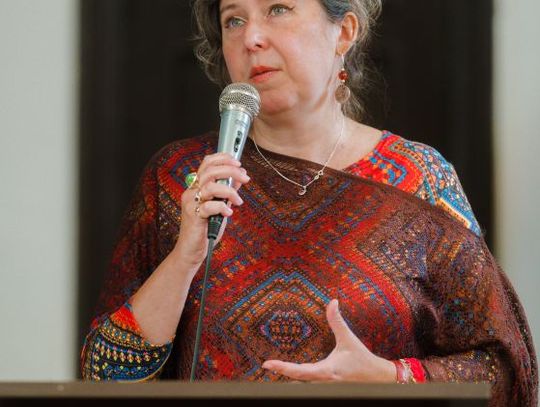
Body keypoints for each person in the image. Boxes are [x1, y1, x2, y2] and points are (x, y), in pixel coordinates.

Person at [81, 0, 537, 405]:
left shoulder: (419, 178)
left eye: (278, 9)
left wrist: (391, 377)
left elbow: (503, 372)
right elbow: (105, 376)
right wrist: (185, 258)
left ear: (345, 31)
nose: (251, 38)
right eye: (233, 20)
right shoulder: (182, 178)